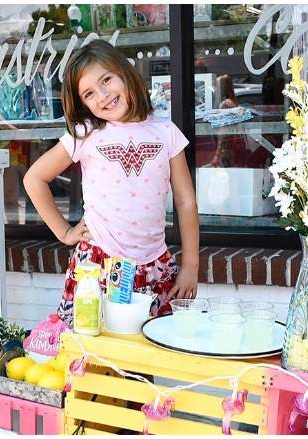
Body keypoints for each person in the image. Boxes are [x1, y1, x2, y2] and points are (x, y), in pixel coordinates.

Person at [23, 40, 200, 326]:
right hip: (99, 263)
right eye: (89, 94)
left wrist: (191, 265)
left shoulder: (165, 132)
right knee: (93, 358)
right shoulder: (87, 133)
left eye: (106, 80)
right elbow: (34, 178)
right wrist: (65, 232)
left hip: (154, 264)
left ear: (124, 73)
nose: (103, 95)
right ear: (82, 104)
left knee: (142, 360)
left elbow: (185, 200)